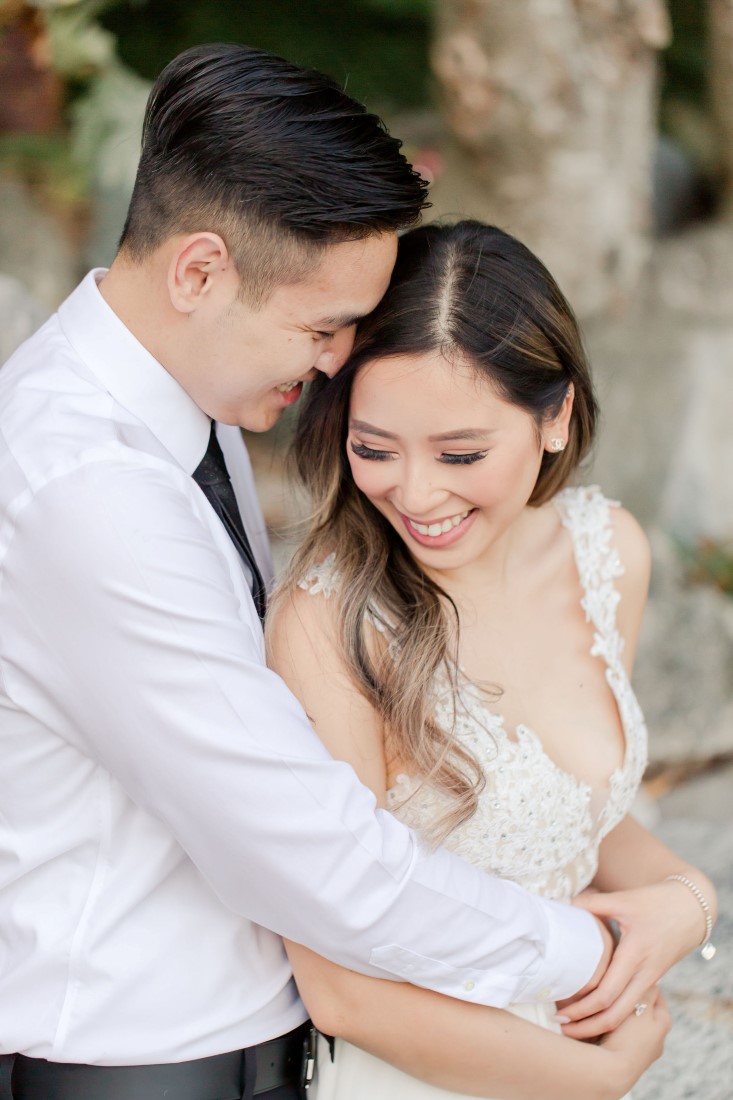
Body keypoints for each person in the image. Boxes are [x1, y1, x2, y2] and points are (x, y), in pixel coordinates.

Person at [0, 43, 651, 1100]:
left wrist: (669, 896)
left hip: (242, 1042)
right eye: (323, 325)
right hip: (135, 1053)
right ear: (200, 270)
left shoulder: (182, 411)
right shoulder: (87, 489)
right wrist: (594, 959)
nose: (340, 363)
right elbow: (313, 853)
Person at [267, 220, 718, 1099]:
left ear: (555, 419)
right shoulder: (329, 623)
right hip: (417, 1077)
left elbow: (569, 810)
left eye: (460, 453)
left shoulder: (607, 552)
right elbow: (340, 989)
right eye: (374, 448)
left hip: (578, 1044)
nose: (416, 491)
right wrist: (586, 1080)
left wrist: (684, 897)